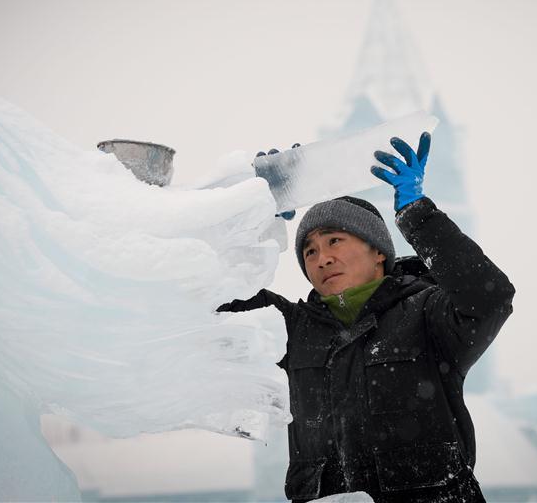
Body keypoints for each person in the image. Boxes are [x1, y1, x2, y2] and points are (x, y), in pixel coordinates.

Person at [217, 132, 515, 502]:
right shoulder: (291, 328)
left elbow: (489, 298)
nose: (321, 257)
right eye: (309, 251)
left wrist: (417, 215)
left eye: (334, 241)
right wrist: (249, 224)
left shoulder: (428, 314)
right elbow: (215, 301)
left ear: (378, 252)